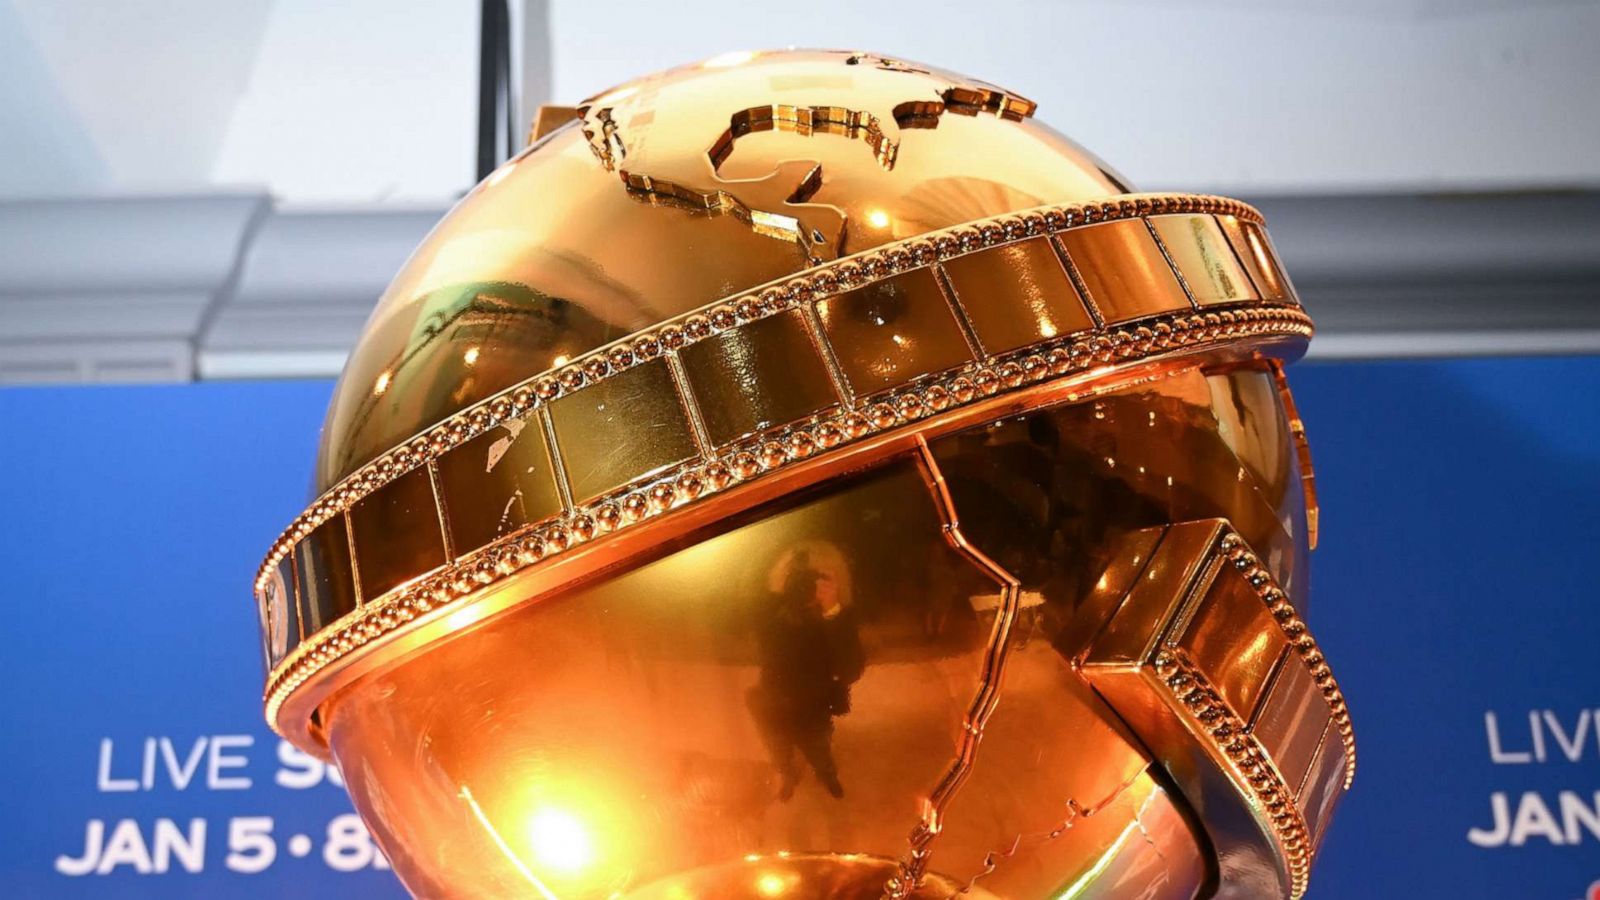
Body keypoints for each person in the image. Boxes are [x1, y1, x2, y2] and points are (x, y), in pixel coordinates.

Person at [748, 550, 865, 801]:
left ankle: (827, 776)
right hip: (773, 707)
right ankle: (788, 776)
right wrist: (775, 587)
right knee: (779, 751)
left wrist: (831, 610)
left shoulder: (833, 620)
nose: (803, 591)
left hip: (812, 708)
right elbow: (752, 612)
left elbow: (850, 669)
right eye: (797, 581)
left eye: (811, 583)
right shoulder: (771, 614)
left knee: (819, 751)